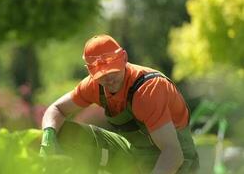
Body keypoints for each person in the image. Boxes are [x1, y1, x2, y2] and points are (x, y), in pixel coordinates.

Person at [40, 35, 199, 174]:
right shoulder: (94, 86)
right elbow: (56, 109)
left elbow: (173, 154)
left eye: (113, 70)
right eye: (101, 75)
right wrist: (48, 138)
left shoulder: (148, 90)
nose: (108, 79)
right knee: (67, 133)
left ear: (124, 58)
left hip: (177, 164)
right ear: (90, 71)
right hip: (136, 154)